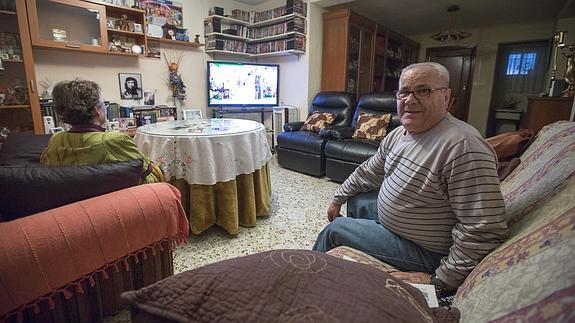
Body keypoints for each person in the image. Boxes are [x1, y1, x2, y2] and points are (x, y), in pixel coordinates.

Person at [313, 62, 508, 295]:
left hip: (425, 250)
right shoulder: (399, 133)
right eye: (403, 92)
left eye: (423, 91)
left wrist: (441, 280)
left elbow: (483, 229)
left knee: (334, 230)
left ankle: (310, 286)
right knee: (357, 199)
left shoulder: (463, 147)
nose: (409, 100)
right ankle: (356, 266)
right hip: (400, 224)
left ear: (446, 97)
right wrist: (338, 198)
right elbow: (369, 171)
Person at [41, 79, 163, 183]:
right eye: (103, 103)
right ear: (96, 110)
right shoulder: (114, 140)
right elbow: (152, 176)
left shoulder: (55, 140)